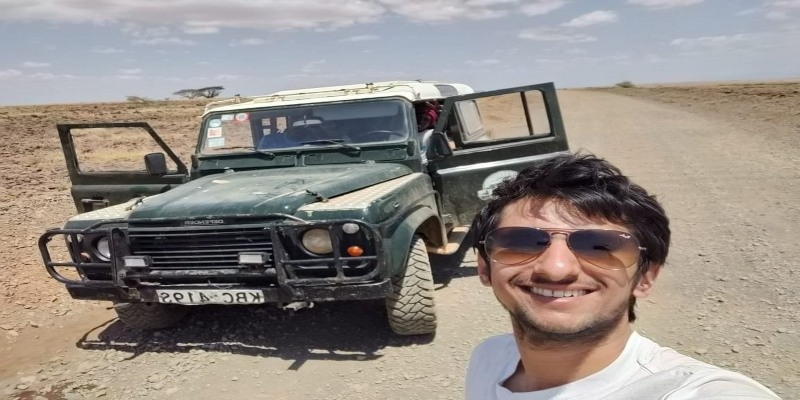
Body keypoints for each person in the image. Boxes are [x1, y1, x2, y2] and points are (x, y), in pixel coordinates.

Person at [466, 153, 780, 399]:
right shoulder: (490, 358)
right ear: (484, 267)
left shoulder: (687, 391)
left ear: (645, 277)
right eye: (521, 242)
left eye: (599, 246)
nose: (556, 269)